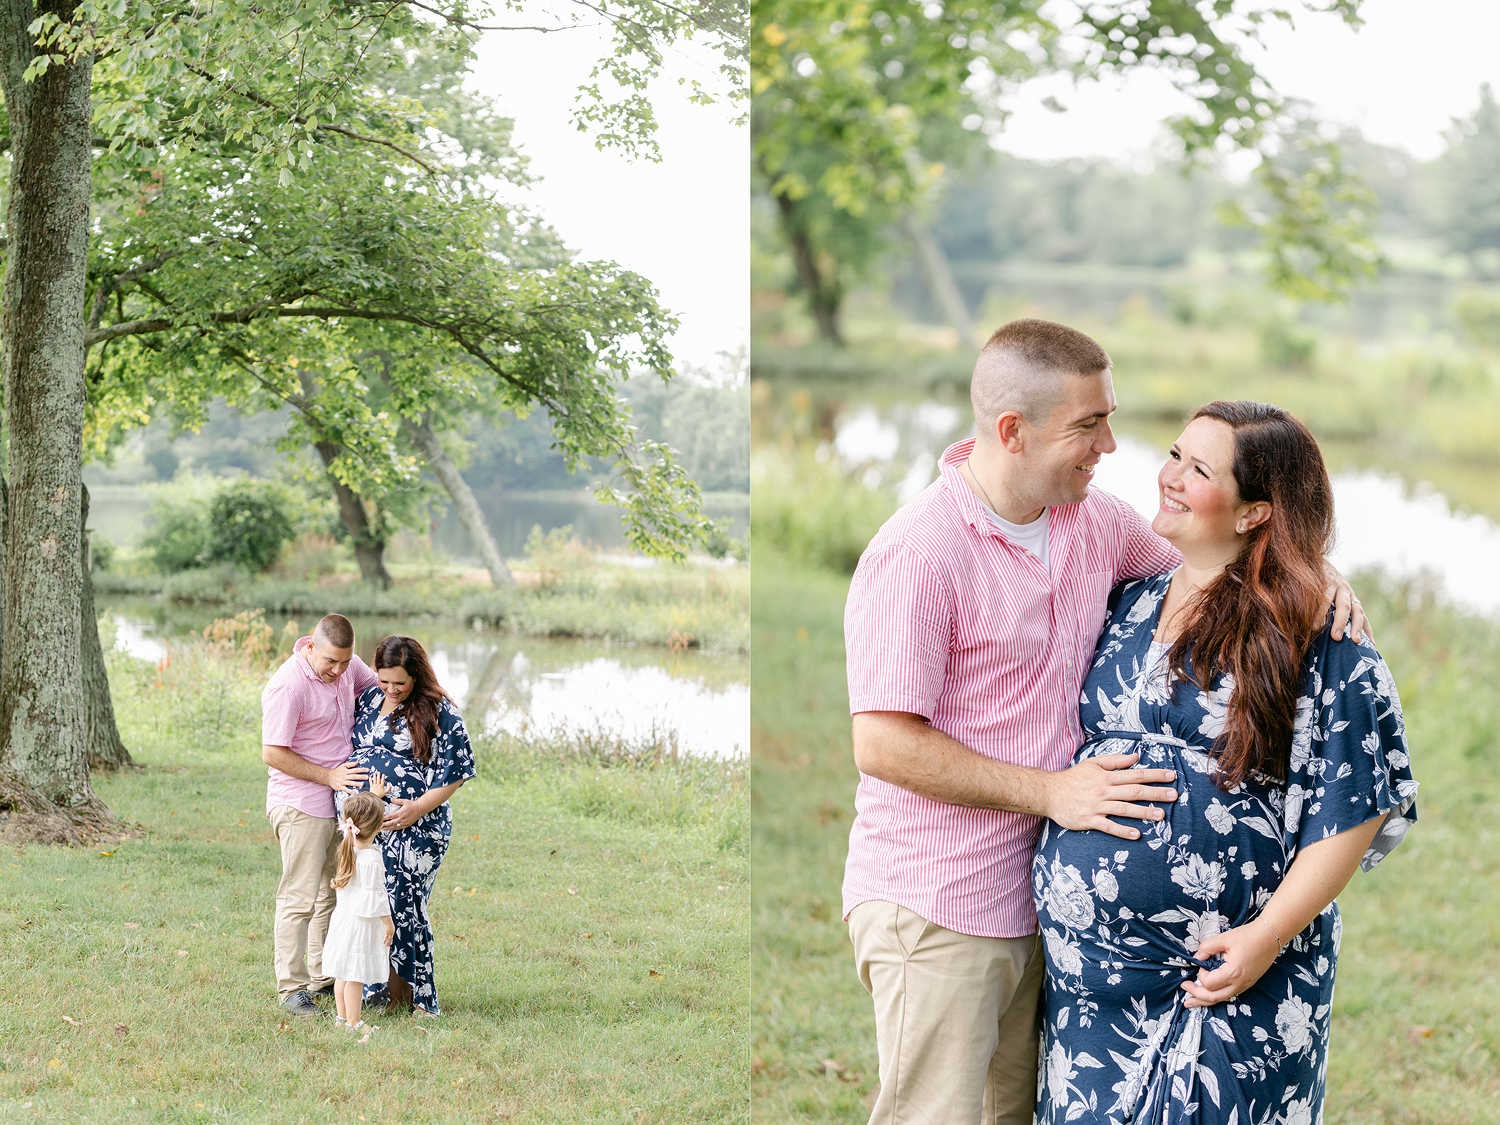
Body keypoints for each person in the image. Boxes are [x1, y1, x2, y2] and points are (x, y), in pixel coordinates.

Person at [841, 320, 1366, 1125]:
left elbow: (1225, 563)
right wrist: (1054, 793)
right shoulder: (920, 553)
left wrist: (1320, 575)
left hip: (1038, 917)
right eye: (1089, 424)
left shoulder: (1097, 524)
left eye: (1111, 417)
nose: (1113, 445)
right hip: (939, 901)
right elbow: (880, 742)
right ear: (1013, 431)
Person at [1032, 402, 1417, 1125]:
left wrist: (1265, 937)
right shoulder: (1126, 599)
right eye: (1174, 454)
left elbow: (1356, 801)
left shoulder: (1317, 632)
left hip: (1232, 979)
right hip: (1095, 996)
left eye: (1199, 469)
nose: (1169, 477)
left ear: (1253, 513)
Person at [338, 634, 475, 1017]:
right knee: (370, 902)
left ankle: (418, 1000)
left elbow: (457, 772)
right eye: (384, 680)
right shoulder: (367, 699)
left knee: (404, 905)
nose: (391, 689)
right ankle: (379, 991)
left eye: (400, 682)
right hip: (367, 830)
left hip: (416, 825)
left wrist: (416, 808)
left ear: (416, 674)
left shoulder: (438, 708)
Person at [261, 612, 380, 1017]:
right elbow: (272, 753)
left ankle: (322, 976)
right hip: (299, 802)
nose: (339, 671)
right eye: (331, 662)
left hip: (339, 803)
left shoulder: (348, 667)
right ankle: (292, 989)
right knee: (299, 898)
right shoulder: (288, 685)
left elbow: (381, 687)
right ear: (309, 646)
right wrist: (328, 775)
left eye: (346, 662)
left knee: (332, 893)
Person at [324, 784, 395, 1040]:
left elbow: (360, 818)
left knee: (343, 973)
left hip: (343, 919)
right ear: (379, 827)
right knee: (354, 975)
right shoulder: (372, 858)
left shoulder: (347, 846)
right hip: (360, 922)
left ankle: (341, 1018)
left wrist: (373, 798)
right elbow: (376, 896)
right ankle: (354, 1022)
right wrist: (388, 923)